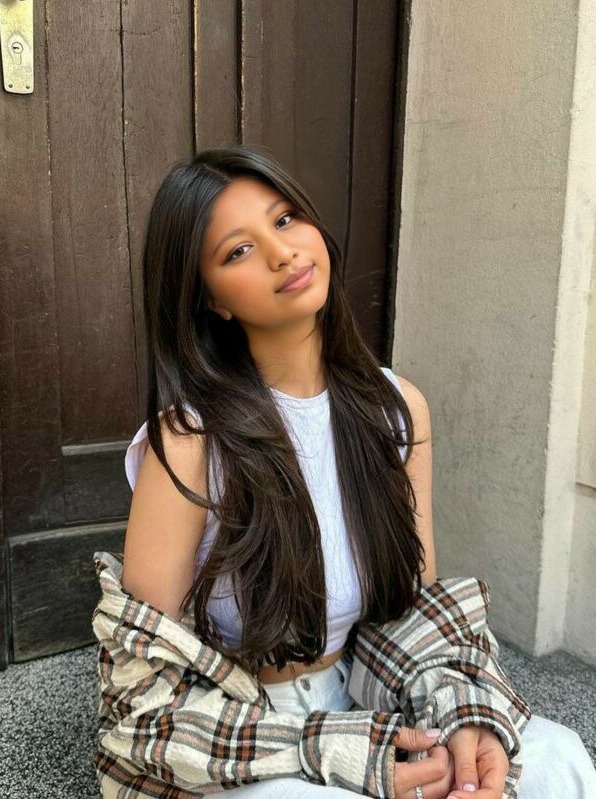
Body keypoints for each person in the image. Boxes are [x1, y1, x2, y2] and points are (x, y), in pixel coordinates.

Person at [114, 144, 596, 799]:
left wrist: (463, 718)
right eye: (239, 250)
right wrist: (334, 752)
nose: (282, 252)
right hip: (243, 731)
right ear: (210, 300)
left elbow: (418, 613)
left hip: (369, 690)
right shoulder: (189, 440)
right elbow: (142, 687)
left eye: (285, 219)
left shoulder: (395, 409)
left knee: (555, 760)